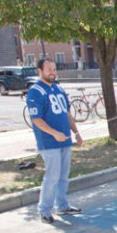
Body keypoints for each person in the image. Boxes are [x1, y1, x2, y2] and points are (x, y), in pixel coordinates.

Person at [26, 58, 82, 224]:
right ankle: (45, 210)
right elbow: (36, 119)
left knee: (63, 176)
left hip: (65, 141)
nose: (52, 72)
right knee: (52, 176)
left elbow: (67, 114)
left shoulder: (58, 89)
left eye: (54, 69)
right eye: (49, 69)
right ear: (40, 71)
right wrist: (54, 133)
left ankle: (63, 206)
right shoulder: (35, 91)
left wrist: (76, 132)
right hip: (49, 143)